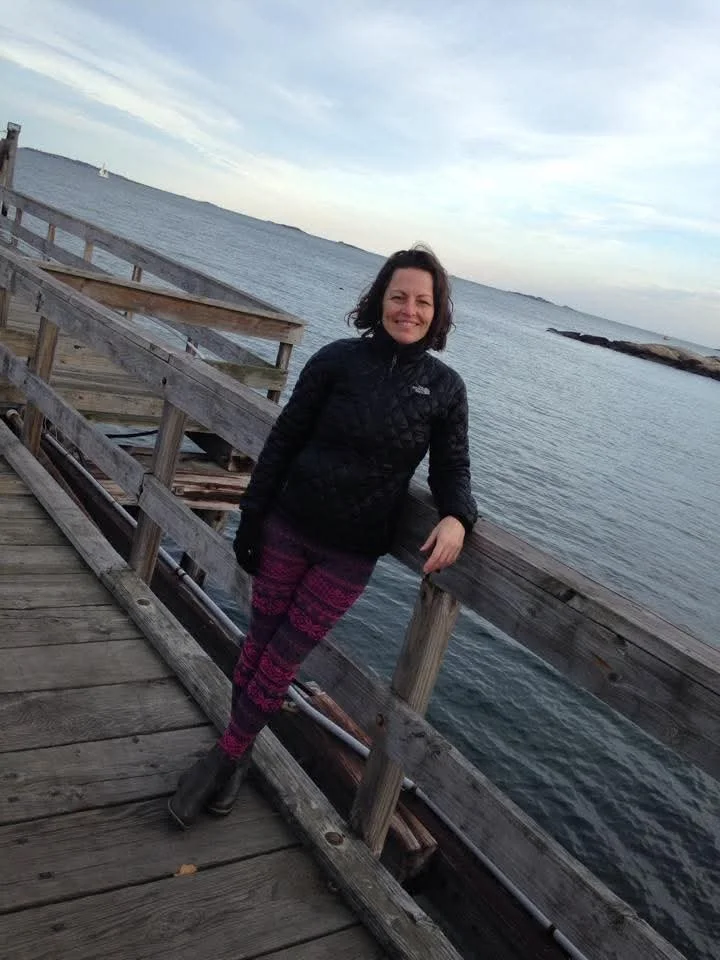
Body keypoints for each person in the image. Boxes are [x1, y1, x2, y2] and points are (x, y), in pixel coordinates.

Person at [168, 245, 478, 829]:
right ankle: (236, 759)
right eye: (399, 297)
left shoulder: (445, 389)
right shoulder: (337, 360)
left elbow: (451, 469)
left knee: (282, 658)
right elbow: (283, 441)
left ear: (438, 312)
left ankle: (223, 758)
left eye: (422, 301)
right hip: (287, 526)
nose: (409, 310)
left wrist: (458, 516)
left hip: (350, 554)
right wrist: (251, 519)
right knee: (259, 644)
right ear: (380, 300)